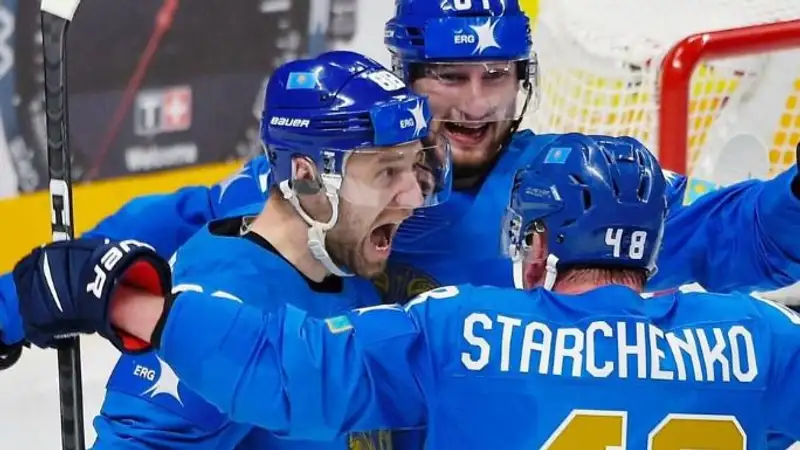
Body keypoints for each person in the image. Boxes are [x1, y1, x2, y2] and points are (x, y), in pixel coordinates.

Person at [4, 0, 800, 356]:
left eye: (496, 76)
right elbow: (187, 218)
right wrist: (30, 298)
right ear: (405, 75)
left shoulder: (578, 187)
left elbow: (743, 229)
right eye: (449, 76)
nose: (477, 105)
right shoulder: (327, 185)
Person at [19, 133, 800, 448]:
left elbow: (291, 369)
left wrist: (125, 299)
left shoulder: (468, 332)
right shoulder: (757, 338)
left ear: (535, 245)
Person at [18, 50, 447, 450]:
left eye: (413, 166)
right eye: (386, 172)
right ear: (306, 177)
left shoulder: (338, 252)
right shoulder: (219, 305)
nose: (412, 196)